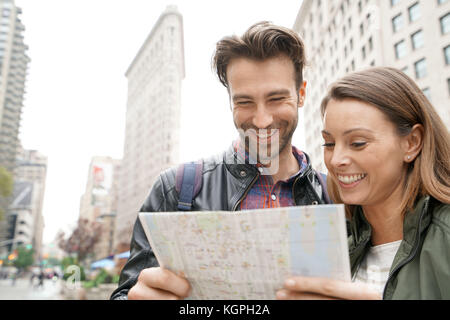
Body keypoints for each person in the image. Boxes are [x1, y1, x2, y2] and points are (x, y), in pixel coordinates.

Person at [111, 21, 330, 300]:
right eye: (245, 102)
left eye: (276, 98)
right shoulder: (175, 189)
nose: (261, 120)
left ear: (301, 94)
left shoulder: (335, 195)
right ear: (230, 102)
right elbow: (126, 292)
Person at [277, 67, 450, 300]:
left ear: (412, 142)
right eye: (329, 144)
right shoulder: (334, 254)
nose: (336, 160)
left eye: (357, 143)